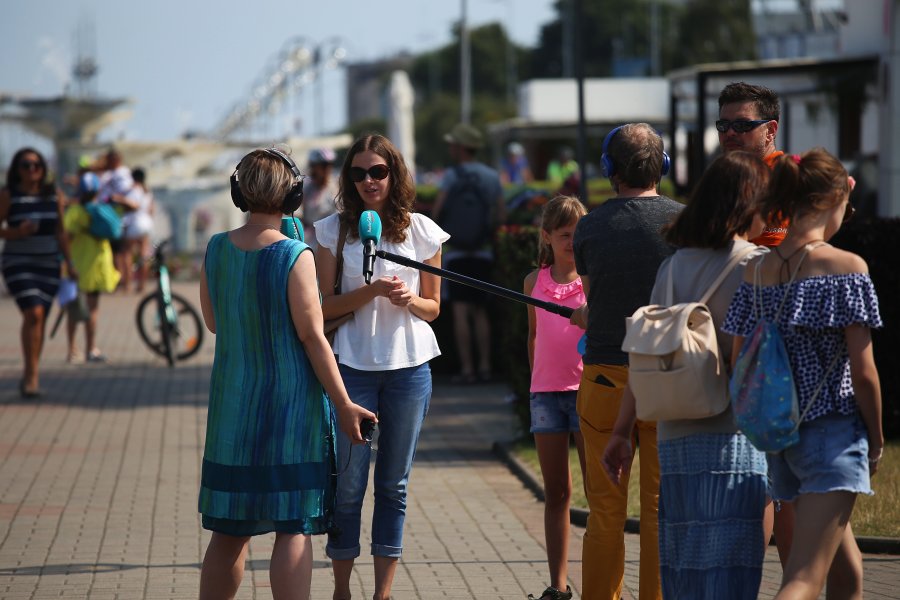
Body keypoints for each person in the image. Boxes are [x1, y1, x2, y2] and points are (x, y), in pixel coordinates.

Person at [197, 148, 375, 600]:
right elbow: (313, 339)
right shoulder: (295, 255)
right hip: (290, 411)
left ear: (238, 192)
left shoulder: (216, 248)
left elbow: (214, 322)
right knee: (292, 526)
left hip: (232, 413)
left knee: (229, 530)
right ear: (293, 194)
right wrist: (344, 403)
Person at [602, 152, 771, 599]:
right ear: (748, 204)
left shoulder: (672, 268)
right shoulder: (755, 266)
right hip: (732, 436)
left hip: (674, 438)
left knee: (684, 565)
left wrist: (621, 433)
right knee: (731, 567)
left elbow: (645, 358)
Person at [723, 148, 883, 600]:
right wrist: (877, 436)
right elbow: (864, 371)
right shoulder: (846, 269)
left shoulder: (755, 270)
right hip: (833, 433)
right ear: (832, 199)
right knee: (804, 578)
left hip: (783, 440)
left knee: (845, 566)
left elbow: (738, 359)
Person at [314, 134, 448, 600]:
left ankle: (383, 594)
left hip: (410, 367)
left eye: (377, 171)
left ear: (394, 173)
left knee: (394, 484)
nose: (368, 181)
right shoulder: (333, 230)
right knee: (349, 485)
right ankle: (341, 590)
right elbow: (323, 306)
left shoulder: (422, 231)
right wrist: (369, 292)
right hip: (352, 366)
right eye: (358, 173)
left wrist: (410, 299)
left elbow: (434, 307)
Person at [570, 123, 683, 600]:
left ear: (608, 170)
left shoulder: (589, 226)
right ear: (664, 167)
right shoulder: (686, 223)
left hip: (604, 377)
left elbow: (592, 302)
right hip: (668, 379)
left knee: (604, 511)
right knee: (660, 510)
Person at [523, 195, 587, 600]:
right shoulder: (533, 281)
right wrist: (536, 378)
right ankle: (558, 584)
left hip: (586, 392)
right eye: (565, 235)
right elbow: (533, 335)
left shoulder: (593, 279)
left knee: (598, 492)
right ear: (547, 237)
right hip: (545, 394)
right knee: (556, 493)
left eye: (578, 234)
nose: (572, 242)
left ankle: (601, 579)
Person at [431, 122, 504, 384]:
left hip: (457, 252)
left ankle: (467, 369)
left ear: (461, 148)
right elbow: (500, 214)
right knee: (481, 311)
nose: (450, 147)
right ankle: (485, 366)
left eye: (453, 144)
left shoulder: (452, 176)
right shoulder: (491, 176)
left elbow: (438, 212)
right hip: (483, 252)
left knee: (461, 311)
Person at [0, 148, 75, 397]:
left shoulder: (54, 195)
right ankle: (31, 376)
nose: (32, 169)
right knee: (34, 312)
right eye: (26, 165)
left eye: (36, 165)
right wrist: (16, 232)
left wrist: (70, 264)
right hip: (18, 262)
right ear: (17, 169)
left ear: (43, 169)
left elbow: (61, 232)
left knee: (39, 318)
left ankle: (31, 370)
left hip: (48, 264)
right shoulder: (8, 195)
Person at [717, 82, 786, 247]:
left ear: (770, 131)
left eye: (742, 125)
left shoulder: (783, 180)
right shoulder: (724, 179)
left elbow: (769, 258)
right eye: (723, 125)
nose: (730, 132)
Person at [63, 172, 121, 363]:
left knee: (73, 310)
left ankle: (72, 349)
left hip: (77, 266)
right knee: (92, 310)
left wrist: (66, 263)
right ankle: (92, 349)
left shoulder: (75, 212)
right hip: (97, 266)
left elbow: (66, 239)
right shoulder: (102, 209)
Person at [97, 148, 133, 288]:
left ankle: (124, 281)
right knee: (117, 252)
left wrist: (110, 199)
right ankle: (121, 280)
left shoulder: (121, 174)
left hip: (117, 218)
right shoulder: (112, 173)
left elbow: (122, 193)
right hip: (111, 216)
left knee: (120, 252)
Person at [120, 167, 155, 293]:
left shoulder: (134, 190)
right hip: (146, 223)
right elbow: (151, 209)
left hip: (134, 223)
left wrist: (120, 200)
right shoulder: (147, 191)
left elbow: (133, 205)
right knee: (144, 254)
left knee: (127, 253)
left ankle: (128, 283)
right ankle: (142, 284)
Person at [300, 147, 339, 247]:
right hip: (313, 240)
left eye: (329, 165)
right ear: (314, 167)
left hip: (335, 238)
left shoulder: (337, 185)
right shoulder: (306, 188)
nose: (327, 169)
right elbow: (302, 216)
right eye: (323, 165)